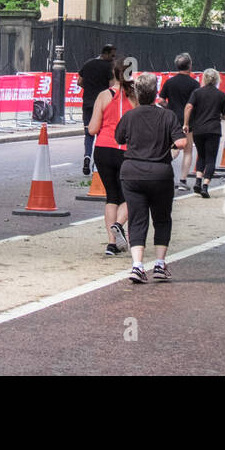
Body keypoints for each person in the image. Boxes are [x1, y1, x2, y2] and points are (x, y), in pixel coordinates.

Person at [114, 73, 187, 283]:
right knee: (162, 219)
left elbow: (119, 138)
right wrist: (169, 144)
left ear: (137, 94)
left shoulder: (130, 116)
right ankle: (159, 264)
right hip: (159, 173)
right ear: (156, 93)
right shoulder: (167, 116)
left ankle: (137, 266)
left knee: (137, 219)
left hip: (132, 172)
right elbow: (181, 143)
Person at [87, 60, 135, 256]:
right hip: (127, 149)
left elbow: (92, 128)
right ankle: (119, 225)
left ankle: (111, 243)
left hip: (104, 149)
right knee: (129, 196)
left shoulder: (104, 96)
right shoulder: (135, 97)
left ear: (113, 75)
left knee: (111, 196)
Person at [184, 68, 225, 199]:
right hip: (213, 130)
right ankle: (205, 186)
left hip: (198, 129)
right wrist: (221, 116)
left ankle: (197, 180)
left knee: (201, 155)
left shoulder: (197, 93)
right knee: (211, 158)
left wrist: (186, 123)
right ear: (216, 80)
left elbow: (188, 107)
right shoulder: (221, 95)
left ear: (204, 78)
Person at [160, 53, 200, 189]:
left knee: (173, 146)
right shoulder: (194, 84)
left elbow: (160, 100)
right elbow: (196, 103)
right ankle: (183, 180)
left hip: (171, 118)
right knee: (187, 151)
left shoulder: (169, 82)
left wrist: (169, 107)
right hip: (188, 121)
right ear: (189, 66)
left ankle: (163, 165)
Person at [77, 45, 116, 175]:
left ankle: (87, 156)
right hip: (102, 104)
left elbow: (79, 81)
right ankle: (97, 163)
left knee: (88, 132)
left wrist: (89, 88)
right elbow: (112, 86)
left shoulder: (88, 63)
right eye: (112, 55)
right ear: (105, 54)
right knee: (101, 132)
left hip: (87, 102)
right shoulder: (108, 67)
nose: (113, 58)